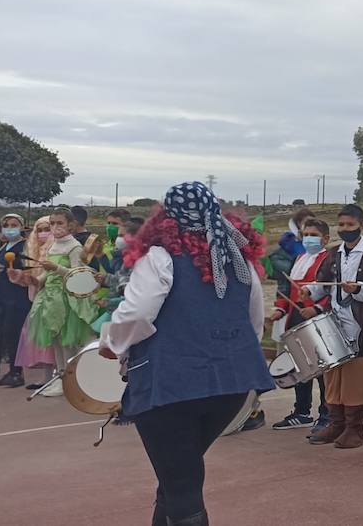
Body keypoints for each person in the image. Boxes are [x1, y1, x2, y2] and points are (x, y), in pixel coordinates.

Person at [97, 181, 275, 525]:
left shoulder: (160, 257)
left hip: (171, 385)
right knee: (177, 476)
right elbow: (253, 324)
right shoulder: (240, 261)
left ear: (167, 217)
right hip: (231, 386)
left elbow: (136, 314)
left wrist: (112, 343)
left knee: (181, 486)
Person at [304, 204, 363, 449]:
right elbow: (322, 283)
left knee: (355, 378)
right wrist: (309, 290)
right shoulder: (334, 254)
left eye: (350, 225)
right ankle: (336, 423)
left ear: (361, 227)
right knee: (333, 375)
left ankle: (355, 428)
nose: (345, 229)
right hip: (335, 323)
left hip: (358, 323)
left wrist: (359, 289)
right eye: (341, 225)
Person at [266, 218, 333, 432]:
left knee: (322, 368)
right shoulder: (300, 258)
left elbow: (332, 291)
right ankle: (302, 412)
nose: (308, 239)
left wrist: (318, 307)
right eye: (305, 235)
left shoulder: (329, 260)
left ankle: (327, 414)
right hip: (296, 317)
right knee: (302, 367)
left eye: (313, 234)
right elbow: (287, 288)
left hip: (318, 319)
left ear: (325, 238)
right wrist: (280, 309)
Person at [26, 207, 100, 391]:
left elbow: (78, 274)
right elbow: (46, 274)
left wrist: (56, 268)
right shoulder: (53, 245)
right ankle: (60, 376)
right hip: (51, 298)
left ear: (71, 225)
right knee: (56, 339)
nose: (55, 227)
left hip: (67, 299)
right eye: (52, 223)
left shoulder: (74, 246)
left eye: (60, 223)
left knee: (68, 341)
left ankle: (72, 379)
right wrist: (36, 280)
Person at [0, 214, 32, 386]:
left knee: (14, 334)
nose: (10, 228)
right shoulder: (2, 246)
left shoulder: (25, 246)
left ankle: (17, 372)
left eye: (14, 224)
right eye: (6, 225)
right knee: (5, 333)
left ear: (21, 226)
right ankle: (11, 371)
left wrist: (8, 271)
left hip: (18, 297)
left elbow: (29, 269)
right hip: (2, 296)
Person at [14, 216, 56, 389]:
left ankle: (57, 380)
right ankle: (46, 380)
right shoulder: (31, 253)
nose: (42, 233)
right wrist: (19, 278)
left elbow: (48, 279)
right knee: (42, 343)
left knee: (54, 343)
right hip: (38, 303)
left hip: (53, 303)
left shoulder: (56, 251)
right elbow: (32, 283)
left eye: (47, 229)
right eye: (39, 230)